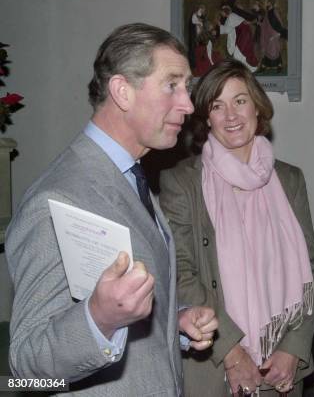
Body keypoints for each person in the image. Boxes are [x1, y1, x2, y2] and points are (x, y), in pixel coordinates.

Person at [5, 23, 219, 395]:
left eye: (187, 88)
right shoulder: (56, 198)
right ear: (122, 91)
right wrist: (99, 319)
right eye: (172, 85)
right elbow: (26, 361)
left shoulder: (130, 174)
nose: (187, 104)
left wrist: (174, 318)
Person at [159, 58, 314, 397]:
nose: (231, 116)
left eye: (240, 101)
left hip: (281, 366)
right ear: (206, 118)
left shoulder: (290, 179)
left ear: (257, 108)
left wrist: (293, 347)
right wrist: (232, 352)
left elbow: (310, 266)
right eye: (218, 106)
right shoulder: (181, 181)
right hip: (213, 366)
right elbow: (180, 271)